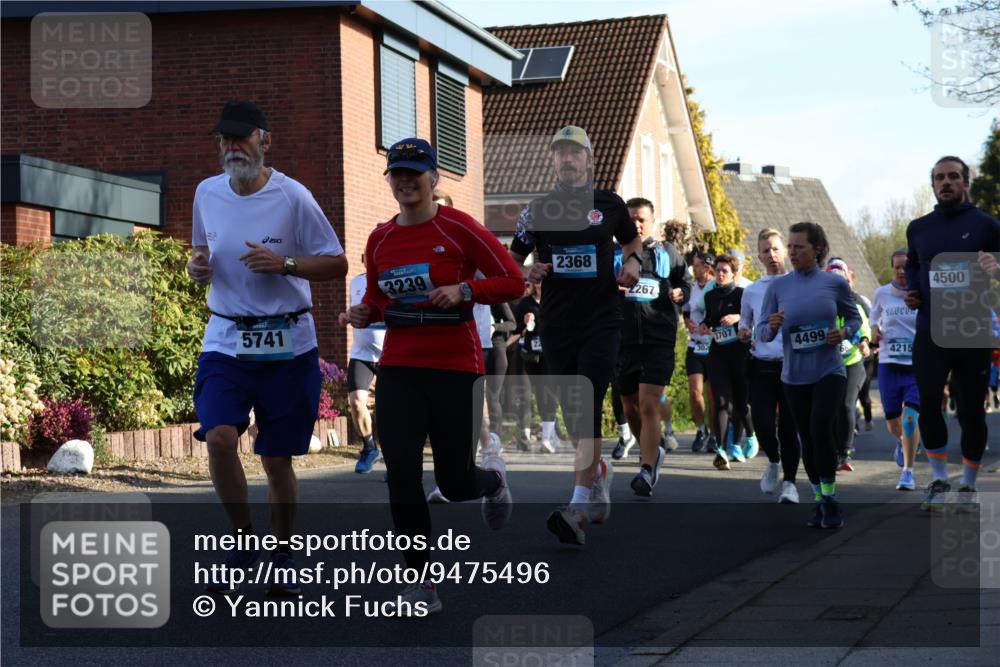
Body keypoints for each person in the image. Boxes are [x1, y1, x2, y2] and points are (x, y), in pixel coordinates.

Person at [347, 138, 524, 612]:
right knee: (401, 473)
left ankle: (493, 483)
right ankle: (421, 581)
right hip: (401, 365)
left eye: (414, 173)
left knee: (455, 481)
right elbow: (381, 300)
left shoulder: (459, 227)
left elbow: (514, 280)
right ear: (389, 179)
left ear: (433, 179)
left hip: (455, 364)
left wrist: (464, 287)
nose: (406, 181)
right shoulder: (380, 238)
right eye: (397, 173)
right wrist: (363, 313)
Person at [189, 101, 348, 594]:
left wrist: (285, 265)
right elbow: (200, 250)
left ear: (265, 141)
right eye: (225, 140)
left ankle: (281, 555)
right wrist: (196, 267)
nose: (233, 148)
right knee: (218, 438)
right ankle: (242, 542)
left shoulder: (294, 197)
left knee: (276, 460)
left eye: (242, 138)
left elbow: (337, 263)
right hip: (226, 338)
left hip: (288, 343)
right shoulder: (206, 192)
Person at [510, 125, 642, 545]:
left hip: (602, 319)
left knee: (585, 398)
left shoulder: (610, 205)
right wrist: (525, 270)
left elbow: (632, 239)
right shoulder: (537, 209)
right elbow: (510, 259)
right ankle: (598, 472)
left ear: (589, 159)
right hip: (557, 324)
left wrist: (633, 264)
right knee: (574, 416)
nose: (567, 159)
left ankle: (578, 508)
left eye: (575, 153)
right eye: (560, 153)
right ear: (553, 161)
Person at [904, 156, 1000, 512]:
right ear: (932, 184)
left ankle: (969, 486)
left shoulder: (987, 225)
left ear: (965, 182)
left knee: (971, 411)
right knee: (929, 401)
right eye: (940, 177)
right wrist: (913, 288)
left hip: (972, 330)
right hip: (930, 329)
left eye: (953, 177)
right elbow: (914, 262)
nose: (946, 182)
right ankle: (941, 478)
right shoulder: (918, 227)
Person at [758, 222, 861, 529]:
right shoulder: (778, 287)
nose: (792, 252)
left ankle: (829, 499)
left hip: (830, 369)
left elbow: (855, 318)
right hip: (793, 376)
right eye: (789, 246)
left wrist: (844, 331)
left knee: (819, 429)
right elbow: (762, 332)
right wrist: (772, 326)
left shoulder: (834, 283)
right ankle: (820, 498)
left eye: (799, 246)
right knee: (807, 438)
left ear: (817, 249)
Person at [615, 197, 690, 494]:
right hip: (623, 341)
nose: (636, 223)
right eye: (631, 218)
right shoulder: (614, 253)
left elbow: (686, 282)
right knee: (629, 407)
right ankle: (652, 452)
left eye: (641, 219)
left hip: (658, 339)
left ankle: (646, 470)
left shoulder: (667, 252)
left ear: (652, 221)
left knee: (648, 403)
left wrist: (681, 293)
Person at [739, 229, 800, 503]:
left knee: (789, 427)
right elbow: (745, 323)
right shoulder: (752, 290)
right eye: (766, 251)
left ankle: (790, 483)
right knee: (763, 426)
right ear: (759, 256)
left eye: (775, 249)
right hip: (762, 366)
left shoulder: (799, 283)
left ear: (785, 251)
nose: (771, 255)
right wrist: (743, 332)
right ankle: (773, 461)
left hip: (793, 365)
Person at [870, 248, 921, 490]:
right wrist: (874, 330)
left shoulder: (922, 294)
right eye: (897, 267)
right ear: (892, 269)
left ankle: (908, 472)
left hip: (915, 366)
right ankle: (904, 442)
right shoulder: (882, 294)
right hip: (889, 365)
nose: (901, 271)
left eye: (906, 267)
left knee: (910, 417)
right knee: (893, 422)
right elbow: (873, 318)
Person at [699, 254, 750, 471]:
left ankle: (742, 441)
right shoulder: (710, 295)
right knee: (719, 401)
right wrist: (704, 326)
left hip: (740, 354)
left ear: (734, 274)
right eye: (717, 270)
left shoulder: (743, 294)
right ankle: (720, 450)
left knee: (739, 403)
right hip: (718, 354)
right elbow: (709, 319)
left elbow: (753, 318)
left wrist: (737, 317)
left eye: (724, 271)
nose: (719, 274)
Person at [338, 254, 385, 474]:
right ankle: (369, 447)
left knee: (389, 411)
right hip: (361, 353)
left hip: (389, 355)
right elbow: (354, 312)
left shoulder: (389, 281)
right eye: (367, 255)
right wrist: (345, 317)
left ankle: (394, 462)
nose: (370, 259)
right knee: (356, 403)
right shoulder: (356, 282)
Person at [825, 258, 872, 472]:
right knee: (831, 408)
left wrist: (864, 342)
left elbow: (863, 327)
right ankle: (833, 450)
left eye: (840, 280)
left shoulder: (854, 303)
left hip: (852, 362)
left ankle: (845, 451)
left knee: (846, 404)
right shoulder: (820, 304)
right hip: (828, 364)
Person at [514, 281, 560, 452]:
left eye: (544, 281)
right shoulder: (526, 303)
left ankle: (546, 439)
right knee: (528, 395)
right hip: (530, 355)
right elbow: (516, 328)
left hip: (550, 354)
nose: (541, 284)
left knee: (548, 394)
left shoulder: (556, 300)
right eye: (538, 281)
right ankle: (529, 436)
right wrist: (525, 324)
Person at [683, 251, 716, 452]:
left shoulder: (716, 286)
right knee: (695, 392)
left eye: (696, 265)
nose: (693, 269)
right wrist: (687, 320)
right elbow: (686, 309)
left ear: (706, 267)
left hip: (713, 346)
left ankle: (714, 434)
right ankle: (701, 429)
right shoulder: (692, 287)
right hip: (695, 345)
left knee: (713, 395)